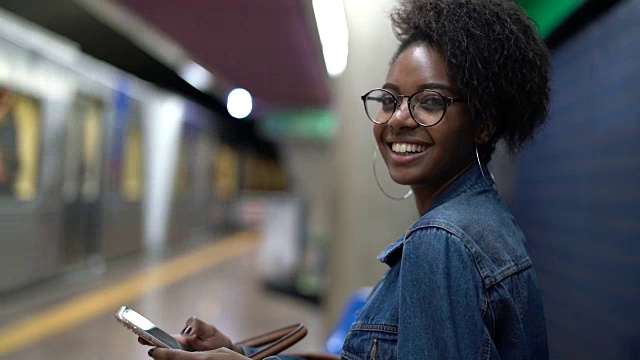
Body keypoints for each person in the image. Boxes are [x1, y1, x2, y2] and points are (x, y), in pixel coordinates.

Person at [143, 0, 550, 358]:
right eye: (389, 100)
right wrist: (239, 355)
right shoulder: (489, 222)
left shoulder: (442, 241)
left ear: (483, 124)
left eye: (430, 102)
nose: (398, 118)